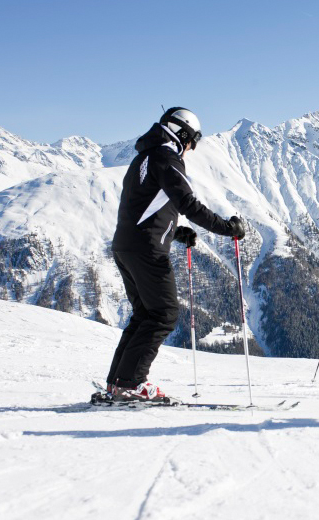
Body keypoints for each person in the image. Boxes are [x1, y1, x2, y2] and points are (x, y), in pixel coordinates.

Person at [104, 107, 246, 402]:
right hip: (147, 250)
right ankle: (130, 383)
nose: (192, 147)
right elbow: (188, 204)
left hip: (126, 246)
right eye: (194, 139)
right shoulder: (166, 157)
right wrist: (228, 228)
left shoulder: (144, 157)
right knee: (164, 314)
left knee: (145, 314)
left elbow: (144, 205)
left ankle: (118, 383)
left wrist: (174, 231)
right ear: (182, 133)